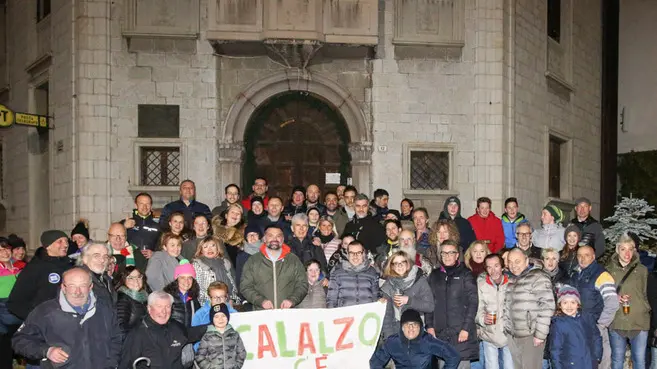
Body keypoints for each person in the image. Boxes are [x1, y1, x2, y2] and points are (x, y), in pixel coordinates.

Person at [12, 267, 122, 368]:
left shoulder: (105, 310)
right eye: (72, 286)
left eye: (83, 285)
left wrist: (111, 365)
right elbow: (20, 340)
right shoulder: (45, 312)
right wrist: (46, 351)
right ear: (63, 287)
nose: (77, 292)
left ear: (90, 287)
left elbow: (116, 339)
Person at [119, 291, 208, 369]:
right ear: (149, 308)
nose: (164, 311)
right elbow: (125, 364)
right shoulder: (137, 334)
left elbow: (194, 333)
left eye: (167, 307)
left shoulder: (176, 327)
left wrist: (215, 325)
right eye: (159, 306)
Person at [426, 240, 478, 369]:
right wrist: (429, 326)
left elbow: (473, 302)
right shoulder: (434, 275)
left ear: (457, 255)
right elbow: (429, 302)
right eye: (444, 253)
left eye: (451, 253)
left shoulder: (466, 274)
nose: (447, 256)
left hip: (460, 333)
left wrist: (466, 328)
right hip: (441, 333)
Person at [569, 244, 619, 369]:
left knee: (600, 363)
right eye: (579, 255)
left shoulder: (602, 275)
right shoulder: (575, 274)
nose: (582, 258)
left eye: (586, 255)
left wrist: (601, 324)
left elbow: (612, 302)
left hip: (595, 329)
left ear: (593, 256)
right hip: (578, 327)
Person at [504, 248, 555, 369]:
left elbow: (547, 306)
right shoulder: (511, 279)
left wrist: (540, 335)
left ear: (527, 261)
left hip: (531, 336)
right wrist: (506, 328)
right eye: (510, 262)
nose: (513, 265)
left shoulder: (538, 276)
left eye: (517, 261)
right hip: (513, 335)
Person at [606, 234, 651, 369]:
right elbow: (603, 294)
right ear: (617, 250)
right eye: (623, 249)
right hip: (617, 320)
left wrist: (644, 307)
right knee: (617, 360)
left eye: (630, 249)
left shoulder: (642, 270)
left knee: (639, 361)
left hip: (639, 321)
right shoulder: (608, 270)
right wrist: (615, 297)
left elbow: (647, 293)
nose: (627, 253)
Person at [7, 230, 72, 321]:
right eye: (60, 241)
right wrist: (37, 319)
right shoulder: (35, 268)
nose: (65, 245)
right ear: (48, 246)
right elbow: (15, 303)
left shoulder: (70, 265)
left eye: (66, 241)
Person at [240, 225, 308, 310]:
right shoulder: (253, 261)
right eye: (270, 235)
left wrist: (292, 300)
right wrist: (261, 301)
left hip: (288, 313)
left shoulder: (293, 260)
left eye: (278, 236)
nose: (275, 239)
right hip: (262, 314)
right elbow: (245, 286)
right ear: (264, 239)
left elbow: (302, 284)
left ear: (282, 239)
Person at [371, 309, 461, 369]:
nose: (411, 328)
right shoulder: (393, 342)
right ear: (402, 328)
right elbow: (376, 361)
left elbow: (453, 356)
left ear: (420, 327)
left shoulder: (428, 341)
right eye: (407, 325)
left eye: (415, 325)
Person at [380, 251, 434, 339]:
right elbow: (387, 316)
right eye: (396, 263)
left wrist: (409, 300)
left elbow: (430, 306)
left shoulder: (420, 281)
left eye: (402, 262)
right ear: (392, 266)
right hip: (396, 331)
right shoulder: (388, 285)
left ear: (408, 264)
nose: (399, 266)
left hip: (417, 329)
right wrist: (389, 338)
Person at [549, 285, 602, 369]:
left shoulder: (586, 318)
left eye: (573, 302)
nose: (569, 306)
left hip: (590, 363)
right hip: (570, 365)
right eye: (565, 303)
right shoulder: (559, 324)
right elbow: (555, 351)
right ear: (560, 305)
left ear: (578, 304)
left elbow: (596, 336)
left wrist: (597, 355)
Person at [476, 254, 513, 369]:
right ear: (486, 270)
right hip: (489, 334)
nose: (493, 270)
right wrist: (482, 319)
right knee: (491, 366)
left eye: (496, 266)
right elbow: (477, 308)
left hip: (509, 334)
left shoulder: (512, 283)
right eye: (489, 267)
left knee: (509, 366)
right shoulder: (481, 285)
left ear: (502, 267)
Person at [327, 240, 380, 308]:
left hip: (366, 315)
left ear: (363, 254)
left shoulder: (372, 272)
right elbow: (331, 299)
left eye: (358, 253)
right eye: (352, 253)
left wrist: (380, 300)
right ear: (347, 254)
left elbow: (376, 296)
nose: (355, 256)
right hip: (344, 315)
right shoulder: (337, 272)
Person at [196, 303, 246, 369]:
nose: (220, 319)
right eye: (216, 317)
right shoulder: (207, 336)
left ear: (227, 317)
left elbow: (241, 353)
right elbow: (199, 356)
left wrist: (236, 366)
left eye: (223, 316)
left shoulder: (234, 335)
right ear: (212, 319)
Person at [192, 236, 238, 305]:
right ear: (201, 250)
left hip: (228, 302)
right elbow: (198, 287)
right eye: (205, 247)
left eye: (213, 246)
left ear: (217, 248)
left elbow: (231, 283)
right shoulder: (197, 264)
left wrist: (232, 299)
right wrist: (210, 302)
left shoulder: (224, 262)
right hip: (209, 304)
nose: (210, 249)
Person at [0, 239, 22, 369]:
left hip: (18, 319)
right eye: (0, 250)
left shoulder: (19, 268)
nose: (4, 252)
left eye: (6, 248)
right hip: (3, 324)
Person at [123, 192, 161, 257]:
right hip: (129, 262)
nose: (145, 207)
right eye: (141, 204)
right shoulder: (126, 223)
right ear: (136, 205)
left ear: (151, 205)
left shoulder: (158, 226)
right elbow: (113, 240)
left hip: (149, 263)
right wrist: (123, 227)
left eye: (147, 204)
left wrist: (154, 253)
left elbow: (163, 246)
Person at [164, 262, 201, 328]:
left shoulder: (194, 298)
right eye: (182, 278)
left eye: (189, 278)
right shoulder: (167, 297)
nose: (186, 281)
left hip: (189, 336)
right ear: (177, 279)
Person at [116, 266, 149, 337]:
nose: (136, 281)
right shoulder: (123, 299)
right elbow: (120, 329)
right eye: (130, 278)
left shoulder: (144, 296)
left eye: (139, 277)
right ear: (123, 280)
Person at [235, 223, 262, 292]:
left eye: (255, 234)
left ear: (259, 236)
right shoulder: (241, 256)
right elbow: (239, 277)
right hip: (249, 292)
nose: (252, 236)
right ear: (246, 238)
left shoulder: (267, 252)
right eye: (249, 235)